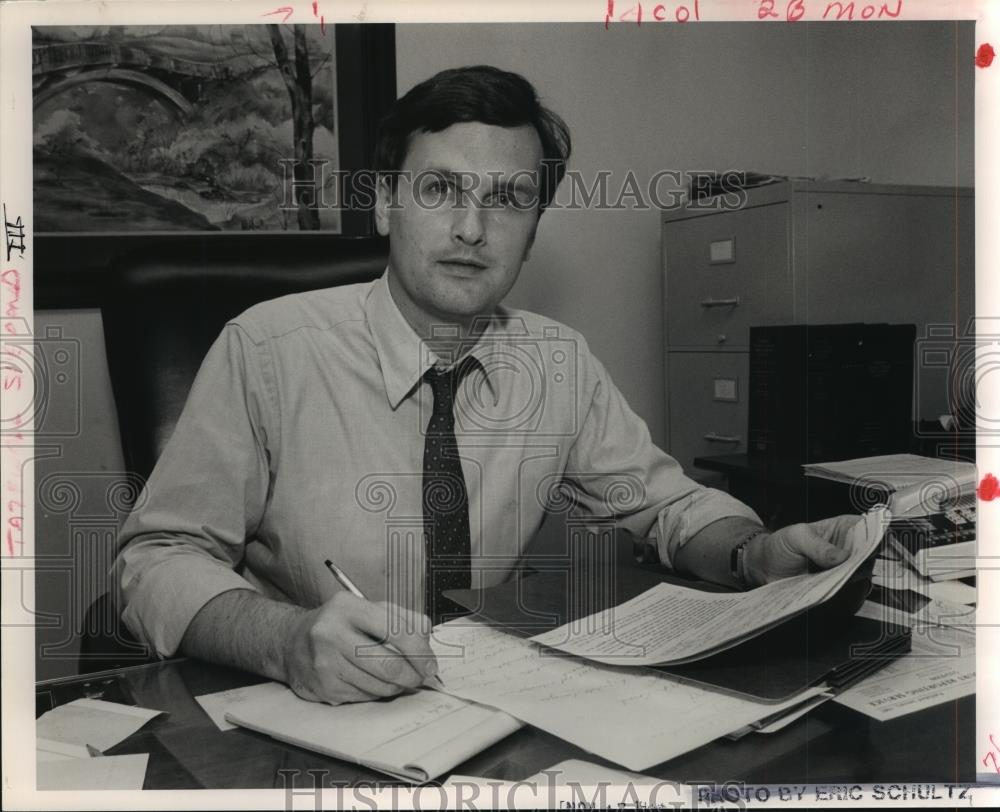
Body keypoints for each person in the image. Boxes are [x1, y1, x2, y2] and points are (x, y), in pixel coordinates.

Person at [114, 65, 857, 706]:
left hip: (482, 707)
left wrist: (752, 553)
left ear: (533, 231)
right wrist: (285, 640)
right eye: (441, 189)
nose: (472, 228)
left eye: (507, 199)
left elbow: (672, 508)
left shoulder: (556, 362)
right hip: (292, 714)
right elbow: (155, 560)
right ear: (383, 203)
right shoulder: (268, 350)